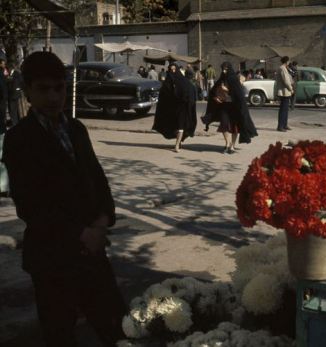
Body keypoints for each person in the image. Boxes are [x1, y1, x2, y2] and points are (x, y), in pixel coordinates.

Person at [1, 51, 126, 346]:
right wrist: (81, 233)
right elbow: (31, 205)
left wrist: (102, 221)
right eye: (43, 89)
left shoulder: (76, 129)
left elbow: (97, 179)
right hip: (52, 258)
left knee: (118, 328)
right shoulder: (20, 139)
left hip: (92, 251)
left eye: (59, 87)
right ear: (28, 91)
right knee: (60, 333)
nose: (53, 96)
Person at [202, 61, 258, 152]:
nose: (224, 71)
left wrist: (226, 89)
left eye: (226, 69)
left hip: (234, 106)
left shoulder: (234, 79)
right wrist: (215, 98)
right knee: (224, 125)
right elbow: (213, 91)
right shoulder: (221, 79)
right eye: (223, 69)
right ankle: (227, 143)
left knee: (234, 127)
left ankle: (232, 145)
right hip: (224, 105)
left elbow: (237, 94)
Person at [153, 63, 197, 152]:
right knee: (174, 126)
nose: (173, 71)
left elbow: (190, 91)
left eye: (174, 69)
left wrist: (186, 101)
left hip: (182, 108)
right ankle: (179, 142)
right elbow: (163, 97)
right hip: (171, 110)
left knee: (180, 126)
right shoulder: (166, 84)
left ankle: (177, 145)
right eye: (171, 70)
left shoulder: (183, 81)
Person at [276, 56, 293, 132]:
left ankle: (285, 125)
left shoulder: (285, 68)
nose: (289, 62)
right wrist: (291, 89)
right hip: (284, 91)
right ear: (286, 61)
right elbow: (286, 81)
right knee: (283, 110)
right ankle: (280, 126)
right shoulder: (282, 68)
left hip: (285, 92)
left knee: (285, 109)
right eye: (289, 61)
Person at [0, 55, 7, 134]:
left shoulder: (3, 71)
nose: (4, 65)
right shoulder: (1, 72)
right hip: (2, 95)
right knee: (2, 112)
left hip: (3, 95)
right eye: (3, 63)